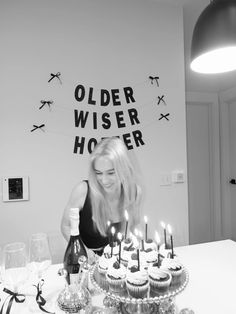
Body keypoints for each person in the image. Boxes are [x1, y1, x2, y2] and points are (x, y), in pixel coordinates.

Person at [61, 137, 142, 260]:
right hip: (86, 260)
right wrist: (85, 253)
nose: (104, 180)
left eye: (111, 173)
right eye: (98, 173)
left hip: (117, 262)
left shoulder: (134, 192)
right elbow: (66, 226)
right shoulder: (83, 191)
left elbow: (130, 229)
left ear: (123, 169)